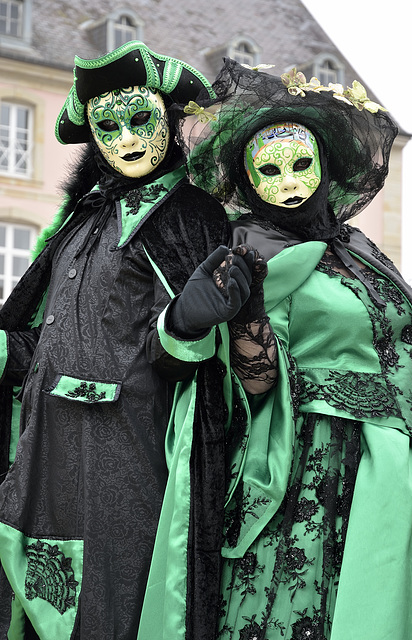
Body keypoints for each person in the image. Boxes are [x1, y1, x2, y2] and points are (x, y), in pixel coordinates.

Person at [0, 42, 259, 640]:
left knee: (114, 609)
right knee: (43, 607)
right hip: (49, 456)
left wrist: (185, 325)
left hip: (125, 461)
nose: (125, 137)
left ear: (166, 117)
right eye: (106, 126)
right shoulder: (84, 218)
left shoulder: (189, 215)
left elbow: (198, 366)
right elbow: (52, 341)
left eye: (139, 118)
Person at [173, 59, 412, 639]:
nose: (288, 180)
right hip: (318, 466)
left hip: (397, 463)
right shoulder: (256, 253)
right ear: (248, 182)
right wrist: (248, 312)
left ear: (327, 167)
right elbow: (257, 384)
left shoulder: (358, 247)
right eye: (269, 169)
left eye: (301, 163)